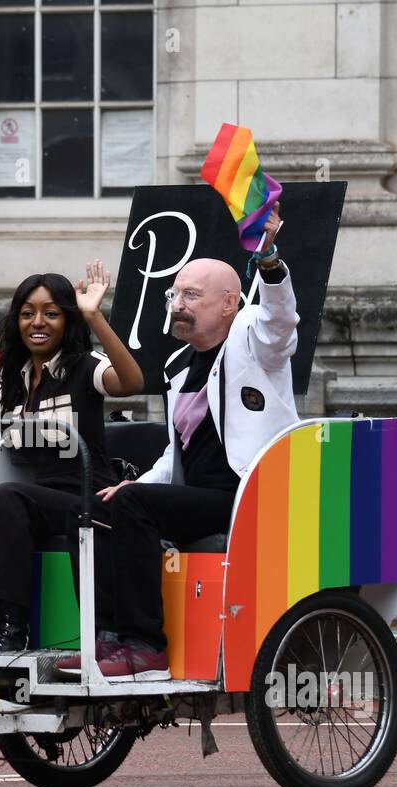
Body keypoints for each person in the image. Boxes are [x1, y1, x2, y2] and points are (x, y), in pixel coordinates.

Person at [58, 205, 297, 681]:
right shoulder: (178, 366)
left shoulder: (253, 341)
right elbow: (176, 451)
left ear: (229, 303)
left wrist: (268, 259)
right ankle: (106, 638)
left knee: (136, 506)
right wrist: (133, 486)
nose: (177, 303)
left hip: (245, 494)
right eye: (174, 293)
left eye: (191, 295)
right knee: (87, 509)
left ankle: (146, 646)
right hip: (198, 496)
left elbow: (281, 320)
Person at [0, 262, 143, 654]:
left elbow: (131, 382)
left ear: (67, 320)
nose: (38, 322)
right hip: (42, 501)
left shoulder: (85, 366)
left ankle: (11, 625)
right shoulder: (15, 380)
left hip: (91, 497)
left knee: (5, 495)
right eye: (28, 313)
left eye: (51, 313)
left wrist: (96, 317)